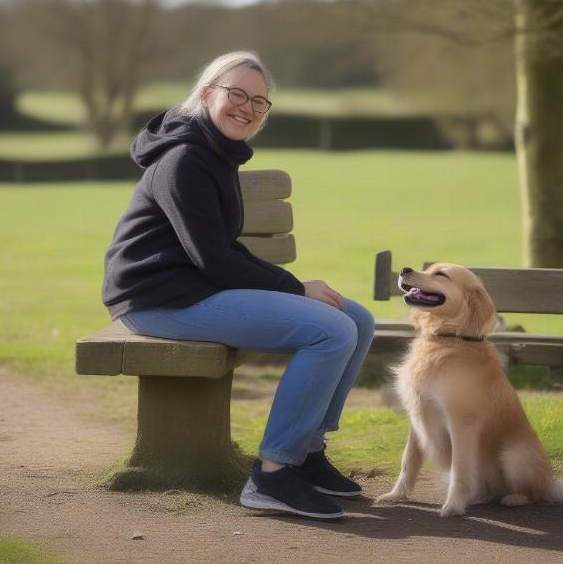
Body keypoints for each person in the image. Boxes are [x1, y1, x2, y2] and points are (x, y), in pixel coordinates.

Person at [102, 50, 375, 520]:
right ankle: (272, 475)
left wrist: (293, 285)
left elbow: (222, 251)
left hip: (194, 289)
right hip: (157, 300)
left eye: (259, 102)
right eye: (236, 94)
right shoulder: (184, 159)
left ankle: (305, 452)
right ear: (207, 94)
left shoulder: (215, 154)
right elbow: (215, 260)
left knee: (357, 318)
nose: (247, 108)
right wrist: (294, 287)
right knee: (331, 331)